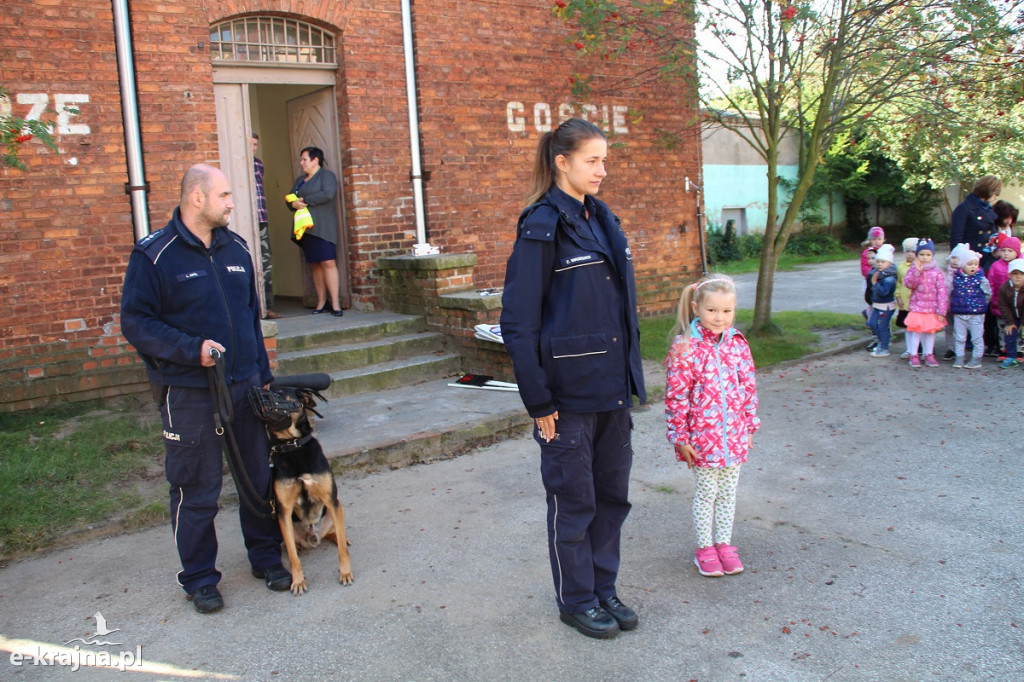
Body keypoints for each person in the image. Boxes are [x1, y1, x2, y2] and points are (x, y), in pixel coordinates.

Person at [500, 118, 646, 640]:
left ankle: (604, 588)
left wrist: (632, 382)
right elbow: (518, 321)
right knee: (574, 501)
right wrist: (538, 401)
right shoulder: (542, 225)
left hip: (611, 390)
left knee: (612, 498)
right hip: (567, 396)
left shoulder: (603, 219)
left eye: (605, 160)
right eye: (592, 160)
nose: (602, 170)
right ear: (562, 162)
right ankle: (576, 598)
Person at [120, 164, 289, 614]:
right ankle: (199, 578)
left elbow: (251, 317)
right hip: (189, 392)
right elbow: (136, 323)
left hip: (245, 385)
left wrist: (263, 373)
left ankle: (266, 558)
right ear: (197, 198)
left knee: (257, 478)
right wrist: (189, 349)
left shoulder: (236, 247)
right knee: (196, 487)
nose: (233, 203)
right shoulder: (155, 254)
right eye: (226, 195)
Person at [665, 275, 759, 578]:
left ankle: (724, 545)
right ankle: (704, 548)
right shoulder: (686, 349)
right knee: (707, 493)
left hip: (733, 437)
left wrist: (749, 427)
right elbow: (676, 397)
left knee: (729, 493)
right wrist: (680, 437)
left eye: (727, 311)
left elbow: (748, 388)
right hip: (702, 440)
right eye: (712, 311)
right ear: (696, 308)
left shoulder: (738, 344)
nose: (720, 318)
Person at [288, 146, 343, 316]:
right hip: (306, 229)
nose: (301, 163)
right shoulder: (299, 180)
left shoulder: (327, 176)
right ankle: (321, 302)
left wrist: (304, 201)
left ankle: (335, 304)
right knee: (315, 265)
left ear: (315, 160)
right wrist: (293, 204)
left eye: (304, 159)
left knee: (328, 262)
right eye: (301, 159)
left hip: (324, 227)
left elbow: (328, 194)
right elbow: (290, 198)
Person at [903, 239, 947, 368]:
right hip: (917, 308)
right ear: (917, 255)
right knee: (916, 332)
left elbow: (942, 292)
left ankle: (929, 354)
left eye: (928, 255)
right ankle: (914, 354)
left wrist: (941, 311)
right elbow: (909, 284)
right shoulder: (913, 269)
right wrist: (917, 271)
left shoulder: (937, 272)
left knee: (930, 332)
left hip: (932, 309)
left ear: (932, 255)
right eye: (922, 254)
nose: (925, 258)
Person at [949, 249, 991, 369]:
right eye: (969, 264)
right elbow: (951, 292)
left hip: (976, 313)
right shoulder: (956, 278)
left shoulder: (981, 279)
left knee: (977, 338)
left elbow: (988, 294)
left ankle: (976, 359)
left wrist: (981, 305)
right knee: (959, 337)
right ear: (962, 265)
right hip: (959, 313)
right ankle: (959, 357)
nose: (973, 267)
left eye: (975, 264)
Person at [252, 134, 278, 319]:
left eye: (255, 145)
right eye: (251, 144)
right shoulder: (236, 164)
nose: (253, 148)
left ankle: (268, 306)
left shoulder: (259, 164)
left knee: (266, 263)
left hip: (261, 219)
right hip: (244, 220)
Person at [950, 175, 1001, 270]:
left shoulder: (987, 208)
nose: (996, 197)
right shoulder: (964, 208)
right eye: (996, 193)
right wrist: (957, 259)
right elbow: (956, 238)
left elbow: (992, 234)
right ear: (988, 191)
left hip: (988, 259)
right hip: (970, 261)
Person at [986, 236, 1021, 360]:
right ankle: (1003, 350)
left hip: (1018, 306)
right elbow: (990, 284)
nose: (1006, 253)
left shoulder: (1021, 265)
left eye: (1010, 251)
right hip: (1000, 304)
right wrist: (991, 300)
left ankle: (1019, 350)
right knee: (1002, 329)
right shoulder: (996, 266)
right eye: (1004, 250)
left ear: (1017, 252)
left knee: (1018, 329)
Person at [867, 244, 898, 358]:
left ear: (889, 263)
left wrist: (875, 283)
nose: (879, 264)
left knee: (882, 326)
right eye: (878, 261)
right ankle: (882, 342)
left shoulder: (889, 278)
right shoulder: (877, 274)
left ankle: (884, 347)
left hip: (886, 306)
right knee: (872, 323)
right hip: (877, 304)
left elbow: (884, 292)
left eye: (883, 262)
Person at [997, 258, 1024, 368]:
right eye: (1015, 273)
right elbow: (1003, 306)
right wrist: (1009, 322)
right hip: (1011, 317)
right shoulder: (1005, 288)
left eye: (1022, 274)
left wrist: (1023, 324)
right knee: (1009, 334)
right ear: (1009, 275)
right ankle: (1011, 357)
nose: (1018, 277)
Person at [861, 227, 884, 350]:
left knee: (881, 313)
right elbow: (864, 268)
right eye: (874, 239)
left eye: (879, 239)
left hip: (881, 285)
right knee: (871, 306)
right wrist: (871, 274)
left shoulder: (884, 252)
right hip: (869, 283)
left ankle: (883, 338)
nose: (877, 242)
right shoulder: (867, 252)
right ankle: (875, 336)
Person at [895, 237, 918, 359]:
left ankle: (923, 349)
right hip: (905, 303)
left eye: (913, 251)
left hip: (918, 303)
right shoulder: (901, 267)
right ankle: (909, 349)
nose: (910, 254)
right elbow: (898, 283)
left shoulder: (921, 266)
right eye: (907, 251)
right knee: (907, 327)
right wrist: (898, 296)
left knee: (918, 327)